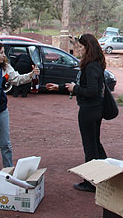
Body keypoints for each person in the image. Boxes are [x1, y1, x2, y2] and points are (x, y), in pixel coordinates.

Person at [45, 33, 107, 192]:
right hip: (94, 109)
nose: (78, 49)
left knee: (90, 147)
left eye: (81, 47)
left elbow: (91, 90)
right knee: (95, 144)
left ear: (88, 48)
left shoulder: (91, 66)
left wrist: (75, 88)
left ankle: (90, 182)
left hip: (89, 110)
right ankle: (106, 175)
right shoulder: (95, 64)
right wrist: (60, 87)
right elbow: (84, 86)